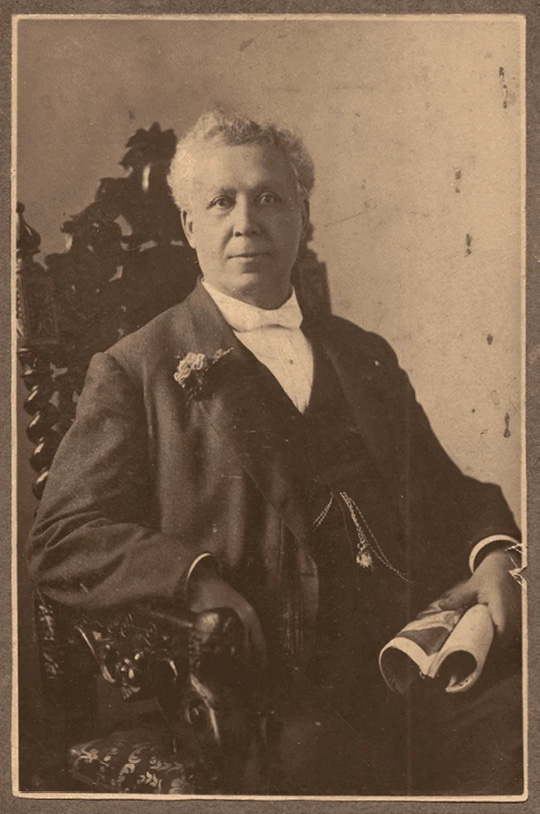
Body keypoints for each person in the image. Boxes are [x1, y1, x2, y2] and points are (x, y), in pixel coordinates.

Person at [27, 108, 523, 795]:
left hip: (413, 663)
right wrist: (194, 576)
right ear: (188, 227)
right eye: (221, 202)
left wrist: (494, 551)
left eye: (268, 198)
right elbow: (63, 538)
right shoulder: (134, 368)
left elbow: (444, 489)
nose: (245, 221)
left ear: (303, 217)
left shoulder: (363, 354)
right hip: (274, 694)